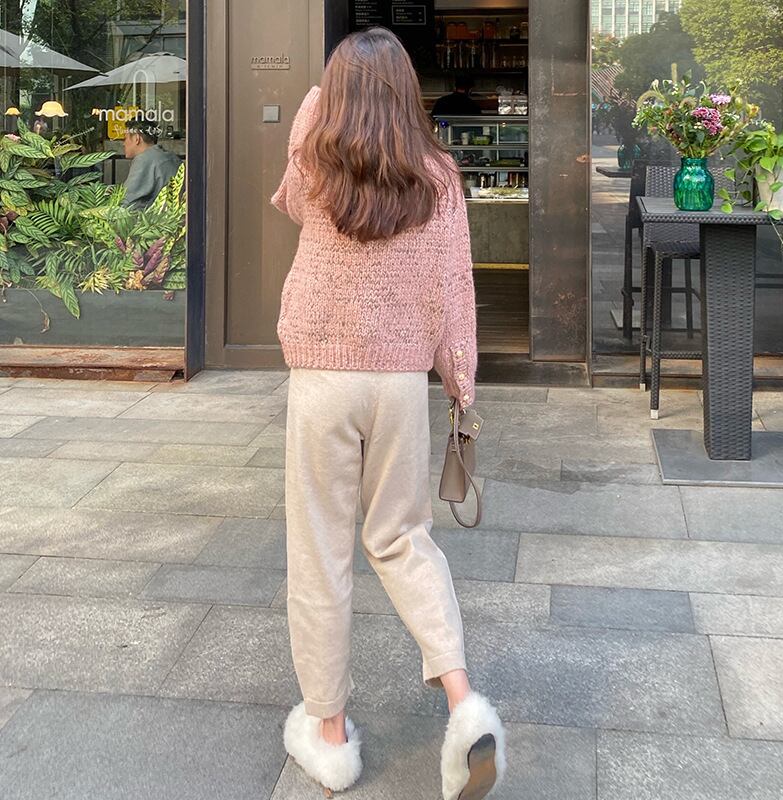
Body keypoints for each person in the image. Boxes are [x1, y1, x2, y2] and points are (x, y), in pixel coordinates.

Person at [271, 26, 505, 800]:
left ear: (334, 94)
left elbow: (287, 202)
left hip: (322, 376)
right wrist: (461, 387)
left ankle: (329, 735)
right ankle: (465, 706)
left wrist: (319, 98)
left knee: (320, 551)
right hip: (400, 381)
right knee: (403, 539)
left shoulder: (317, 161)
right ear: (409, 91)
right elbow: (455, 290)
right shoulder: (439, 176)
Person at [121, 124, 180, 210]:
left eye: (125, 138)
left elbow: (126, 202)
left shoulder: (144, 160)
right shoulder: (171, 157)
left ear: (137, 138)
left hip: (157, 217)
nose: (123, 144)